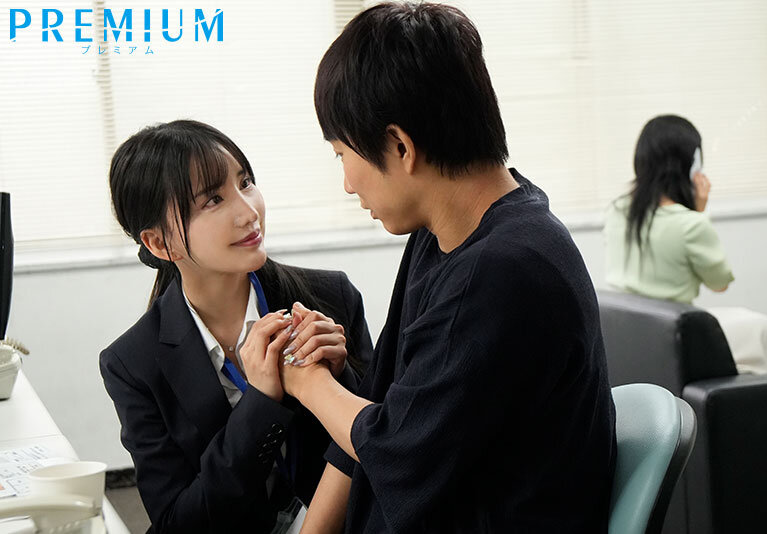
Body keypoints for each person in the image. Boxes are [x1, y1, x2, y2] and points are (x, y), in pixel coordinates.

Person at [245, 4, 617, 532]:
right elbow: (380, 405)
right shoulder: (447, 236)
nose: (347, 184)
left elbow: (393, 447)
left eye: (342, 155)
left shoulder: (503, 271)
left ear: (400, 146)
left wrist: (305, 381)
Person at [99, 120, 372, 533]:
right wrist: (260, 402)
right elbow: (177, 523)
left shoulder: (331, 297)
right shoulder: (133, 362)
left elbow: (385, 449)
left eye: (246, 183)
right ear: (159, 243)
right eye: (213, 200)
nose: (249, 212)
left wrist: (339, 376)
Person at [604, 114, 767, 373]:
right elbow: (719, 283)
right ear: (692, 165)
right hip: (675, 333)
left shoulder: (616, 211)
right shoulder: (691, 224)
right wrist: (699, 211)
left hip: (630, 332)